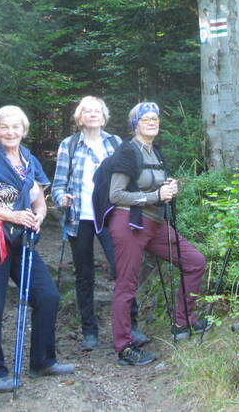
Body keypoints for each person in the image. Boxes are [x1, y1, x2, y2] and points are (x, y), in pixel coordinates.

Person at [0, 105, 75, 393]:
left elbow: (38, 197)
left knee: (47, 295)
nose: (10, 132)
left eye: (16, 127)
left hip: (21, 239)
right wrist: (13, 216)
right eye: (4, 127)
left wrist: (39, 216)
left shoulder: (28, 159)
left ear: (24, 130)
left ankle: (43, 361)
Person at [95, 101, 208, 367]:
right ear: (135, 124)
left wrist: (169, 188)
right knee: (127, 284)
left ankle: (183, 322)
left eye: (155, 118)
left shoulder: (155, 151)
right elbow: (115, 194)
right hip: (129, 223)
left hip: (155, 222)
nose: (152, 122)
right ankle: (124, 347)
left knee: (195, 261)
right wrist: (155, 195)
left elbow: (154, 187)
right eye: (145, 118)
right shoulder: (127, 151)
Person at [51, 96, 148, 351]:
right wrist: (62, 198)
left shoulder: (116, 143)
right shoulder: (69, 145)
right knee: (84, 275)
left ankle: (131, 326)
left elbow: (130, 178)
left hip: (111, 214)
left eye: (97, 111)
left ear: (104, 117)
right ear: (79, 117)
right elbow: (58, 185)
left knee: (122, 270)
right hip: (79, 217)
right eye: (87, 111)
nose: (93, 115)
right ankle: (89, 332)